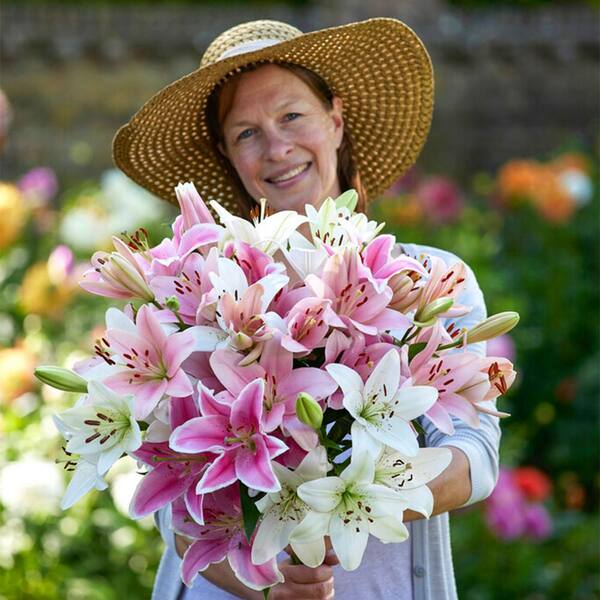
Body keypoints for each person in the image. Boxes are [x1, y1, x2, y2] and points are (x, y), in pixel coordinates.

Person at [113, 18, 500, 600]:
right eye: (246, 132)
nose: (276, 147)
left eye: (292, 116)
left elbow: (477, 459)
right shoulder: (191, 286)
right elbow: (174, 499)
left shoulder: (430, 283)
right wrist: (265, 586)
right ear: (227, 154)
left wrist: (348, 496)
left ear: (336, 121)